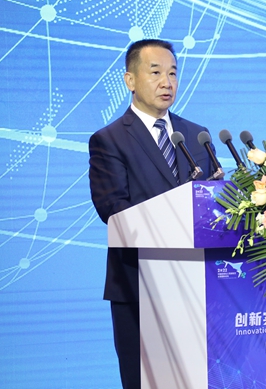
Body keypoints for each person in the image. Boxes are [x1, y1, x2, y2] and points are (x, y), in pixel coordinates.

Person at [88, 39, 216, 389]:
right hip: (139, 284)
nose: (167, 82)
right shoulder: (109, 140)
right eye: (156, 72)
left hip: (199, 286)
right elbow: (113, 209)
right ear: (130, 80)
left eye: (173, 73)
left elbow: (213, 201)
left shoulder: (197, 135)